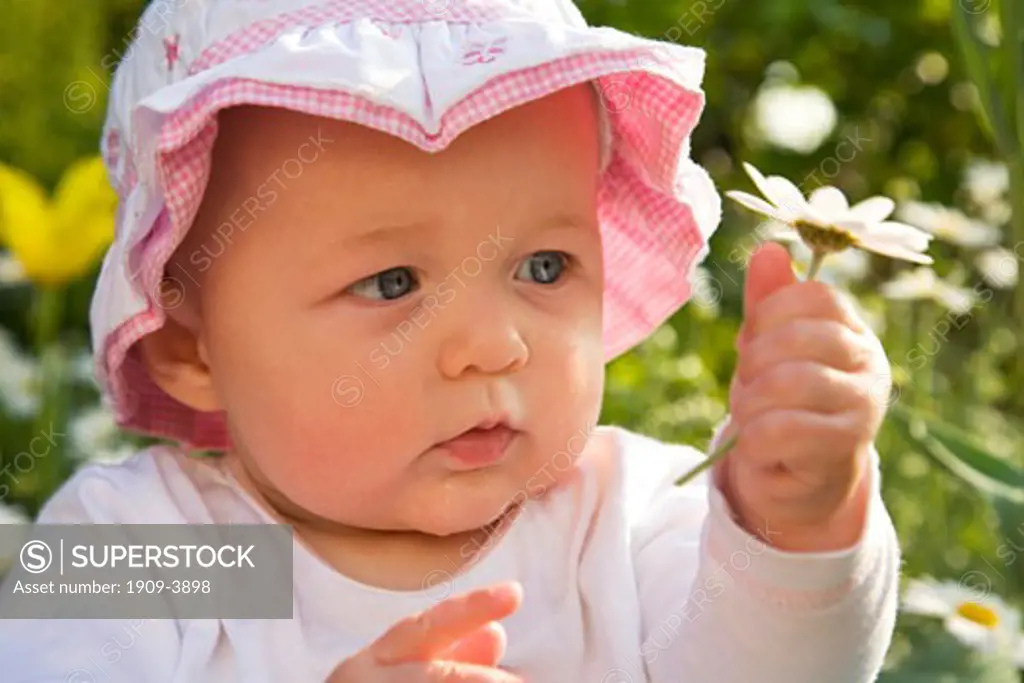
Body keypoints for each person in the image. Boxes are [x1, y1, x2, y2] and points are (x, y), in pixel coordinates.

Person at [0, 0, 900, 681]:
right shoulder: (161, 546)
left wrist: (799, 518)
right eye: (393, 283)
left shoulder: (618, 518)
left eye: (545, 267)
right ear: (192, 346)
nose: (495, 345)